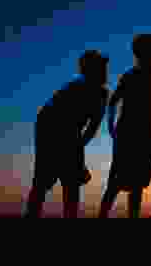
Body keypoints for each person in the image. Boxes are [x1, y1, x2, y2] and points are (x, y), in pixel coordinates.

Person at [24, 50, 110, 218]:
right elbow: (49, 117)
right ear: (89, 71)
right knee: (46, 180)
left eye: (104, 67)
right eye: (100, 67)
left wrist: (77, 148)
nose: (105, 71)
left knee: (68, 181)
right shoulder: (76, 89)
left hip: (65, 132)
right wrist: (74, 148)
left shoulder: (100, 93)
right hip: (51, 131)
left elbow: (91, 128)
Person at [99, 34, 151, 218]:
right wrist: (112, 127)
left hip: (142, 133)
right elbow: (113, 101)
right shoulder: (133, 76)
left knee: (135, 184)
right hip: (130, 133)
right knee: (117, 182)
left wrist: (113, 127)